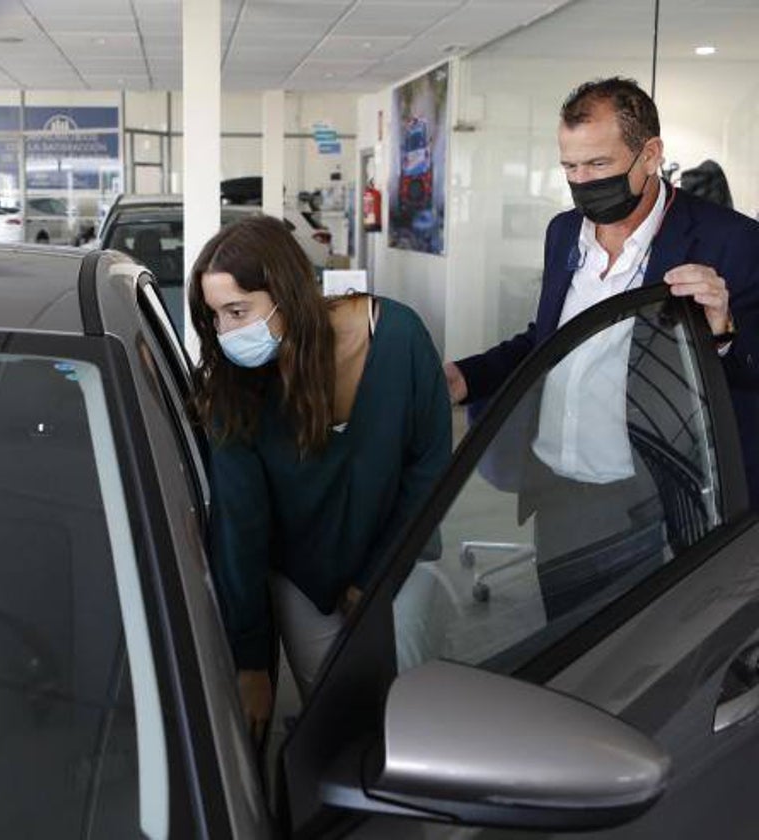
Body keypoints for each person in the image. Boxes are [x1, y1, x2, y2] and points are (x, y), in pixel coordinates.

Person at [188, 215, 451, 740]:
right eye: (214, 316)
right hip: (303, 580)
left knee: (408, 724)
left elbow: (430, 471)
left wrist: (375, 577)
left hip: (397, 558)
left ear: (286, 294)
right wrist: (251, 662)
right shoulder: (233, 393)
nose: (226, 331)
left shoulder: (398, 337)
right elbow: (241, 532)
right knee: (339, 727)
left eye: (238, 310)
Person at [446, 77, 759, 512]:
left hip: (662, 493)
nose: (581, 182)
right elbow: (551, 339)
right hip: (556, 479)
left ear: (650, 155)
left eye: (597, 164)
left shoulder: (731, 241)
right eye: (570, 167)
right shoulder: (562, 232)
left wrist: (723, 330)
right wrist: (469, 376)